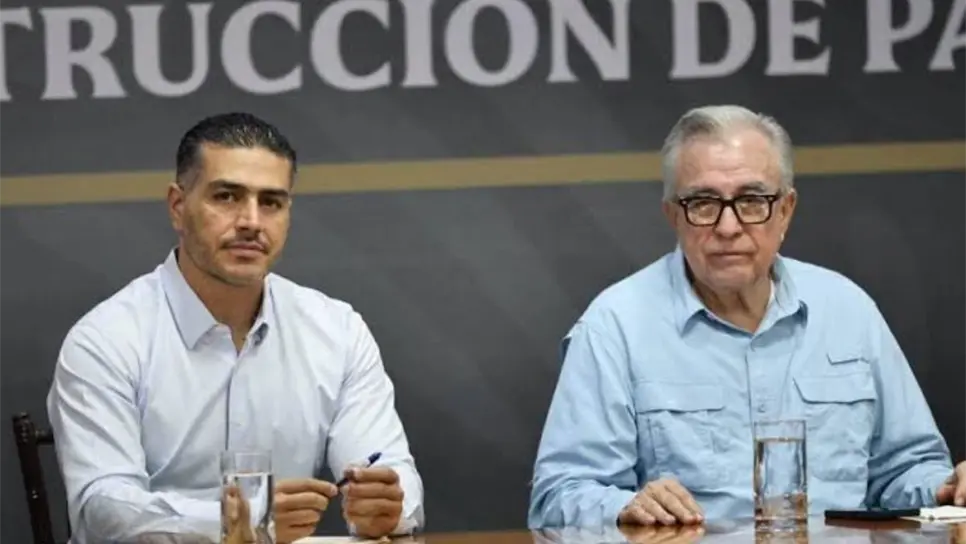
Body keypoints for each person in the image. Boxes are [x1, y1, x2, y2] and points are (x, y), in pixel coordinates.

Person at [527, 104, 966, 528]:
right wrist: (625, 508)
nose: (728, 227)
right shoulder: (615, 326)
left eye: (752, 200)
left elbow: (905, 470)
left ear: (786, 211)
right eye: (703, 203)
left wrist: (947, 488)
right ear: (673, 216)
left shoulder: (848, 310)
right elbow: (559, 496)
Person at [46, 112, 424, 543]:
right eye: (227, 197)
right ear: (177, 207)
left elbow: (391, 472)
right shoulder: (105, 341)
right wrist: (241, 523)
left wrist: (387, 508)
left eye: (271, 202)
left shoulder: (337, 331)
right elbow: (102, 510)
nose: (251, 221)